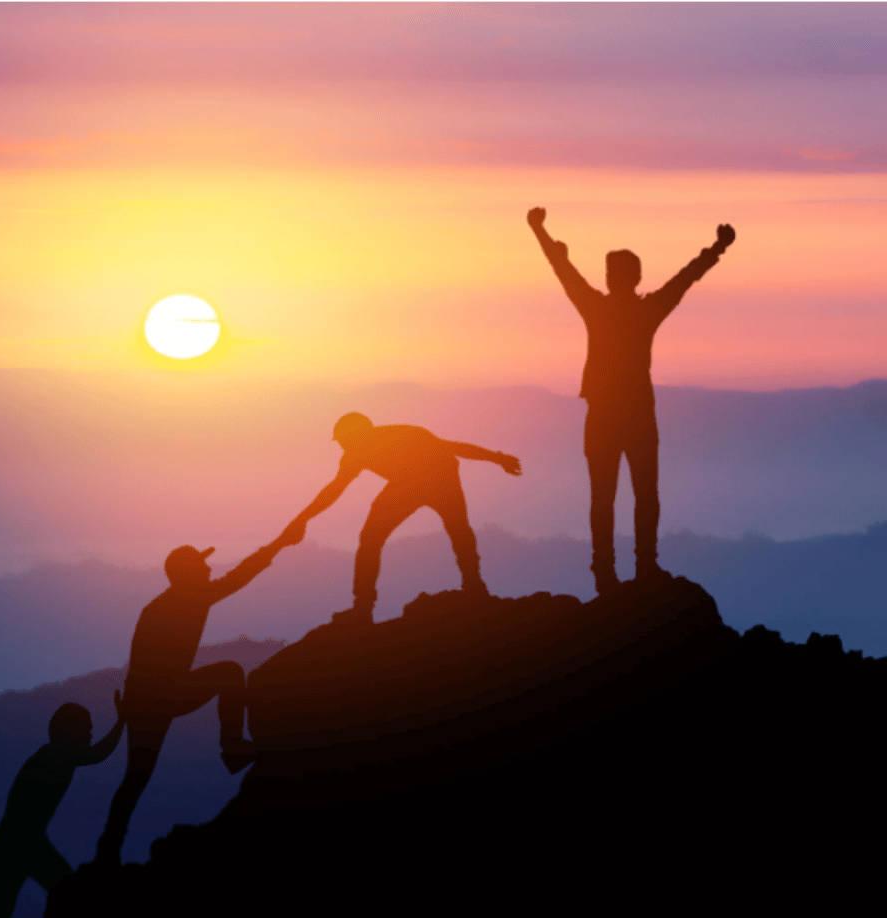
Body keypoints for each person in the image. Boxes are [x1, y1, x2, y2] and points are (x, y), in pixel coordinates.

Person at [527, 207, 735, 593]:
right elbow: (686, 278)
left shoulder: (598, 307)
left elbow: (563, 271)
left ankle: (608, 574)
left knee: (606, 497)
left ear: (620, 278)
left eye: (612, 274)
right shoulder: (645, 310)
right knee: (640, 495)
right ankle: (641, 569)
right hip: (635, 414)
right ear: (635, 278)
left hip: (607, 415)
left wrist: (539, 230)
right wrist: (717, 248)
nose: (610, 280)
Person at [93, 535, 296, 865]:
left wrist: (130, 708)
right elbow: (241, 576)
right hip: (162, 697)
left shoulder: (159, 606)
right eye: (202, 565)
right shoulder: (192, 599)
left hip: (146, 701)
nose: (208, 567)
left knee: (135, 778)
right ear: (187, 574)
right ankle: (231, 747)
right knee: (229, 673)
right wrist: (279, 545)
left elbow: (137, 661)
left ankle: (107, 850)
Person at [284, 413, 521, 625]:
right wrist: (303, 519)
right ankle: (473, 588)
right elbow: (334, 490)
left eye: (344, 440)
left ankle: (364, 609)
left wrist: (499, 458)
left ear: (360, 435)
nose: (343, 447)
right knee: (451, 530)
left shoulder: (402, 436)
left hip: (437, 478)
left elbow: (453, 447)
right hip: (423, 481)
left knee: (447, 530)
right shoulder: (357, 453)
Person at [0, 697, 125, 918]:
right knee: (65, 898)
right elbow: (97, 753)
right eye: (87, 730)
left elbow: (94, 753)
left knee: (0, 915)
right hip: (20, 844)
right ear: (71, 732)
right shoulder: (57, 757)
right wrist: (121, 722)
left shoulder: (52, 755)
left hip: (20, 842)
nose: (90, 735)